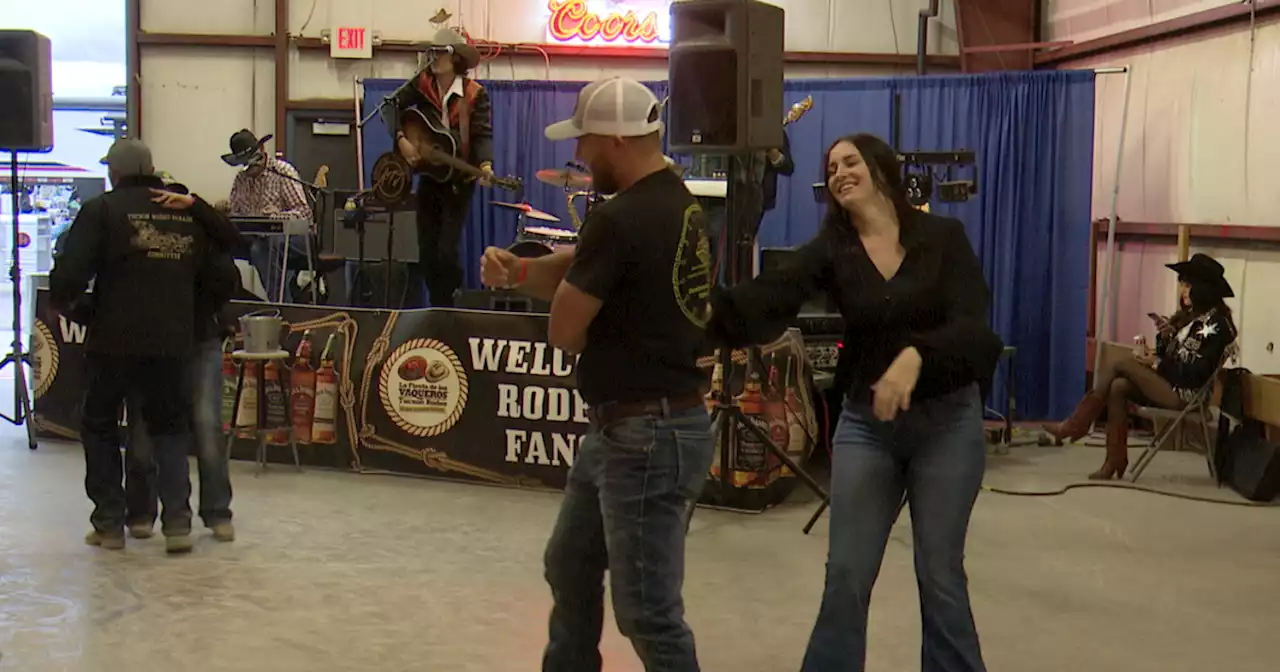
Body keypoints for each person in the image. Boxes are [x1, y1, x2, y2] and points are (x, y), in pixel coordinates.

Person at [708, 133, 1002, 672]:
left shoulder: (943, 237)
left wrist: (918, 356)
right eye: (832, 167)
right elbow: (767, 299)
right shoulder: (831, 251)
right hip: (869, 428)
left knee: (939, 574)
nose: (840, 171)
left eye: (851, 162)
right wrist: (700, 304)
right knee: (845, 573)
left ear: (880, 170)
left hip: (947, 425)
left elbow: (975, 329)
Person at [479, 77, 715, 671]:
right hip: (649, 424)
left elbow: (564, 331)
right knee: (572, 561)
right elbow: (589, 265)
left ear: (614, 139)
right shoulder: (674, 200)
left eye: (585, 142)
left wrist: (571, 310)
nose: (579, 156)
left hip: (641, 433)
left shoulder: (623, 217)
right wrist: (518, 273)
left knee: (647, 612)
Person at [50, 139, 236, 554]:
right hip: (172, 342)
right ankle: (177, 523)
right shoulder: (183, 213)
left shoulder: (103, 210)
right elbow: (224, 275)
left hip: (113, 342)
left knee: (99, 426)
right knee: (170, 429)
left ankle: (111, 523)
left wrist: (81, 310)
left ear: (115, 173)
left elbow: (68, 278)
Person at [124, 171, 246, 542]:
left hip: (195, 339)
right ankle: (145, 512)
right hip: (159, 341)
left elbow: (236, 246)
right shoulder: (141, 235)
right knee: (149, 431)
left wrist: (196, 206)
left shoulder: (201, 236)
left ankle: (210, 512)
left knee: (199, 428)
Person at [1044, 253, 1236, 479]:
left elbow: (1193, 375)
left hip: (1187, 396)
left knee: (1119, 364)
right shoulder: (1191, 318)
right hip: (1171, 385)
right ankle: (1114, 460)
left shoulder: (1218, 326)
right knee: (1118, 387)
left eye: (1187, 285)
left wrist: (1155, 363)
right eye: (1182, 284)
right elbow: (1173, 358)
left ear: (1203, 289)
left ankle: (1076, 425)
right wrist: (1163, 340)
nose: (1182, 291)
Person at [388, 28, 495, 308]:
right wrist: (402, 140)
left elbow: (482, 134)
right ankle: (437, 306)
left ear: (456, 58)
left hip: (459, 180)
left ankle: (449, 304)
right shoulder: (419, 85)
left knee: (447, 250)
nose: (433, 57)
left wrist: (485, 164)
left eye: (440, 52)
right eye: (431, 52)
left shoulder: (475, 95)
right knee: (426, 251)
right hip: (430, 177)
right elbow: (392, 109)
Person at [223, 128, 312, 302]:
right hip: (255, 237)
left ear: (262, 151)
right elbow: (236, 214)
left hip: (293, 238)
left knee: (262, 248)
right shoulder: (241, 179)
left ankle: (282, 305)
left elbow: (304, 214)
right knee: (220, 244)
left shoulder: (282, 171)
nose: (248, 168)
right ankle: (230, 301)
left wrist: (277, 216)